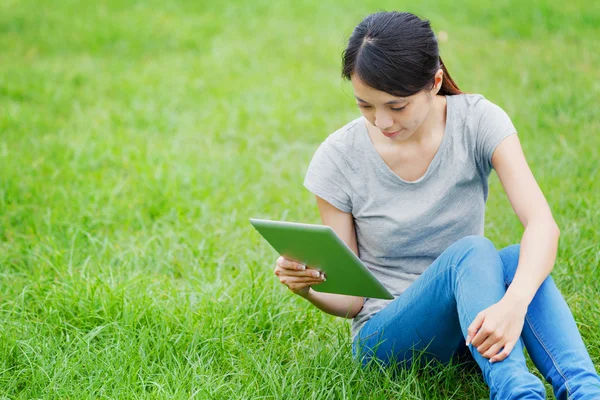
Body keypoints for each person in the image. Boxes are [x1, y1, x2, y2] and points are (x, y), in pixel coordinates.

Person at [272, 10, 600, 400]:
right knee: (475, 251)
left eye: (397, 106)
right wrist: (307, 288)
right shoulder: (339, 158)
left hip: (470, 324)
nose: (382, 122)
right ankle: (516, 392)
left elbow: (542, 225)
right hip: (386, 340)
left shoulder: (478, 121)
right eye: (365, 106)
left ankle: (585, 391)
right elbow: (352, 300)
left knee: (514, 260)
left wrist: (514, 303)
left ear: (435, 82)